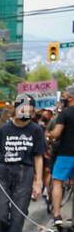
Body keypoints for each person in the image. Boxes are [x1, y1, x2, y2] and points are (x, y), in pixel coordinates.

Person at [0, 94, 46, 232]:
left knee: (18, 215)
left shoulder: (36, 130)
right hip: (3, 171)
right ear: (15, 108)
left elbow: (38, 157)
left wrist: (38, 182)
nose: (26, 111)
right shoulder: (4, 130)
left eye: (30, 108)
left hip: (25, 172)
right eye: (23, 107)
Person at [45, 87, 74, 223]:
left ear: (71, 98)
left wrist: (49, 136)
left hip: (66, 154)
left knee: (57, 182)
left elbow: (56, 133)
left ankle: (57, 215)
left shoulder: (65, 113)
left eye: (65, 95)